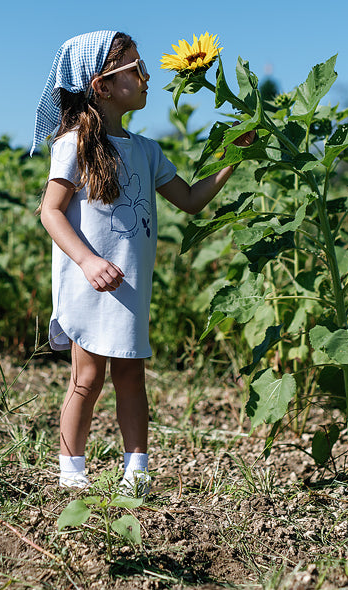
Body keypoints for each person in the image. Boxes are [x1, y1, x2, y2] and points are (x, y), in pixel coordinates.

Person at [34, 30, 253, 495]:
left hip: (130, 285)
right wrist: (89, 262)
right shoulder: (73, 145)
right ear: (103, 86)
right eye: (134, 68)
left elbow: (191, 200)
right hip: (91, 281)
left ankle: (136, 474)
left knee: (132, 376)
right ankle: (72, 474)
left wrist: (234, 157)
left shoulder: (147, 151)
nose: (147, 75)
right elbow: (50, 212)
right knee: (87, 377)